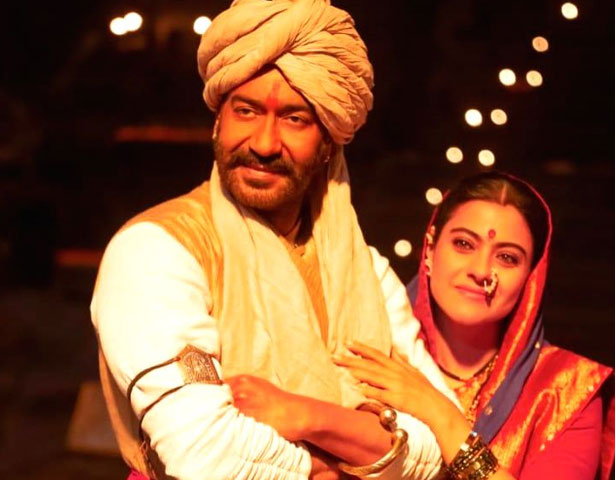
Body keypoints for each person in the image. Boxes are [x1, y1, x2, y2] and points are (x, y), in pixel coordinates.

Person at [91, 1, 449, 479]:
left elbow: (438, 445)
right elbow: (204, 452)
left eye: (295, 119)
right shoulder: (157, 250)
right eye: (246, 111)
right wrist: (350, 453)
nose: (263, 143)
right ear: (218, 121)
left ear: (328, 144)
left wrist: (308, 416)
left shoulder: (367, 273)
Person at [335, 172, 615, 479]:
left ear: (531, 277)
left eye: (507, 258)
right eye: (463, 244)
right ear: (430, 249)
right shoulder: (369, 343)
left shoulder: (567, 391)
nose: (481, 270)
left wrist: (439, 413)